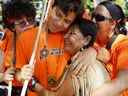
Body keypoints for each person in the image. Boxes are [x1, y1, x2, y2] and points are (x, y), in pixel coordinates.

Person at [16, 0, 84, 95]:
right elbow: (17, 72)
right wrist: (20, 75)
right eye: (58, 15)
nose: (59, 23)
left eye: (67, 21)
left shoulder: (72, 39)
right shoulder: (25, 37)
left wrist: (94, 51)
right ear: (51, 6)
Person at [62, 18, 110, 96]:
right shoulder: (86, 56)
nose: (65, 36)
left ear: (86, 40)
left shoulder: (80, 65)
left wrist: (35, 84)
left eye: (72, 33)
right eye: (66, 32)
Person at [91, 1, 128, 96]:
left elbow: (121, 83)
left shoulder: (124, 45)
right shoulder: (91, 42)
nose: (93, 21)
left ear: (112, 23)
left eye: (99, 18)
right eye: (93, 16)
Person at [0, 0, 37, 96]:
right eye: (22, 23)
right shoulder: (8, 37)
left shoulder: (39, 36)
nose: (29, 25)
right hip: (11, 90)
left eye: (31, 20)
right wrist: (3, 77)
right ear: (12, 27)